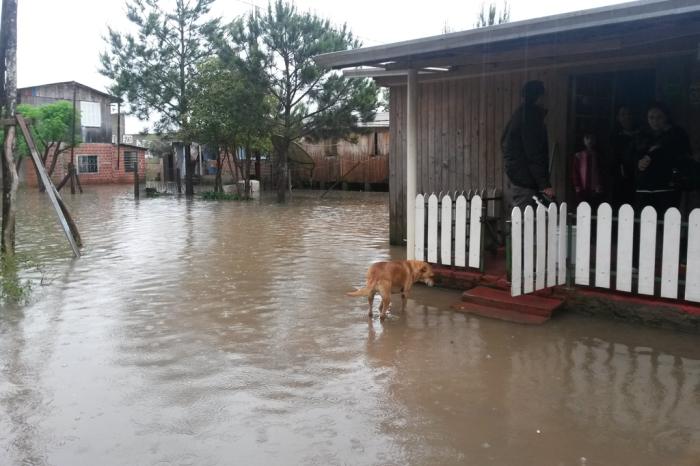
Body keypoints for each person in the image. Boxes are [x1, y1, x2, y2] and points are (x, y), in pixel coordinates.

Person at [501, 80, 554, 210]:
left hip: (519, 178)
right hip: (525, 182)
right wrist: (544, 184)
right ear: (539, 97)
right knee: (526, 222)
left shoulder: (520, 114)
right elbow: (534, 153)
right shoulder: (530, 118)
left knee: (524, 221)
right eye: (545, 95)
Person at [632, 102, 693, 213]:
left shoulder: (677, 133)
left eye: (659, 117)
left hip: (667, 187)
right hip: (644, 187)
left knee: (667, 223)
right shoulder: (641, 135)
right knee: (646, 224)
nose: (655, 121)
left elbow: (682, 155)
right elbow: (632, 156)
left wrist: (655, 152)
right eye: (651, 117)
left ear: (666, 117)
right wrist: (639, 162)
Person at [609, 105, 638, 207]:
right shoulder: (614, 137)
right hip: (619, 180)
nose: (627, 117)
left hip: (638, 179)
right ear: (618, 117)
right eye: (623, 115)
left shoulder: (641, 135)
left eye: (629, 114)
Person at [572, 133, 603, 206]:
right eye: (587, 138)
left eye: (592, 138)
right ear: (584, 140)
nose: (589, 141)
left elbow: (600, 171)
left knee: (594, 207)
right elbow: (575, 172)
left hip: (594, 187)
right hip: (582, 187)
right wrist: (577, 185)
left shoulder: (597, 156)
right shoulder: (578, 156)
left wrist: (599, 184)